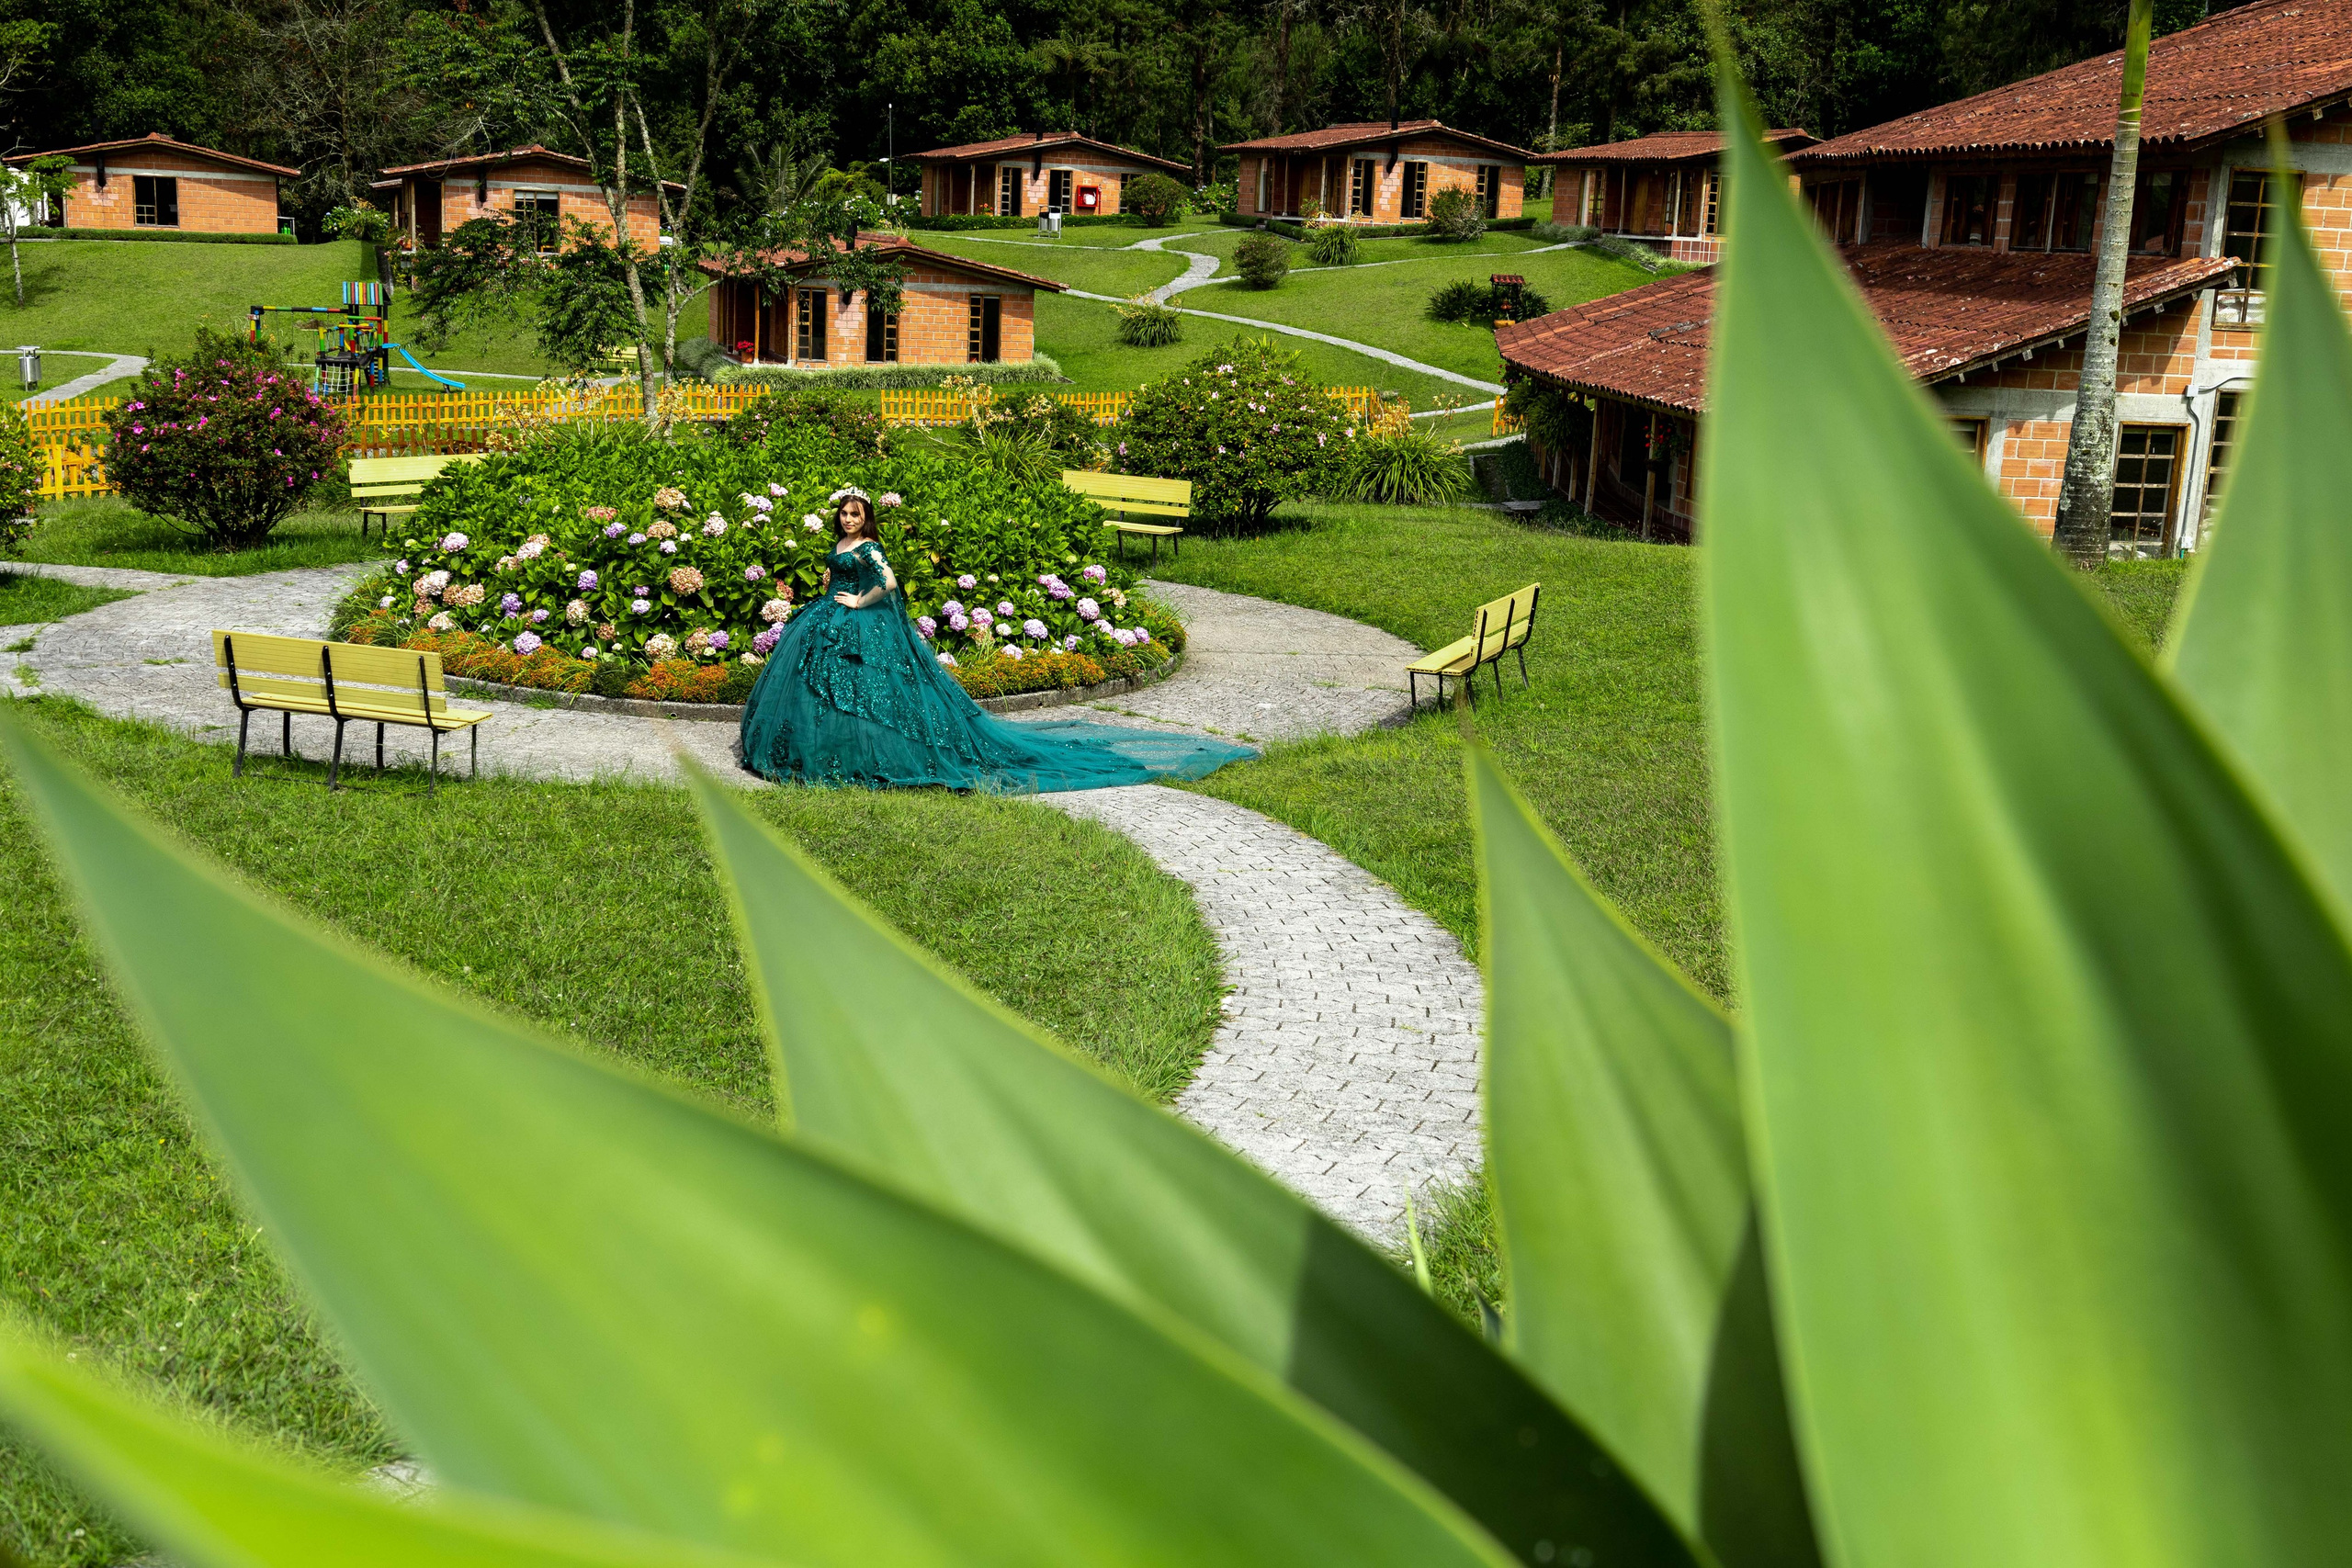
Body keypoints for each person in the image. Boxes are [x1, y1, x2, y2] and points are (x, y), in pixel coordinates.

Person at [737, 488, 1254, 792]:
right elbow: (837, 575)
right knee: (825, 690)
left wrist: (858, 601)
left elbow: (889, 583)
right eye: (844, 513)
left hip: (859, 622)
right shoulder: (841, 542)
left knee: (877, 693)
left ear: (866, 517)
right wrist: (833, 597)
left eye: (855, 513)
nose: (849, 519)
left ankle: (873, 757)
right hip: (825, 619)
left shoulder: (869, 545)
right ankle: (823, 756)